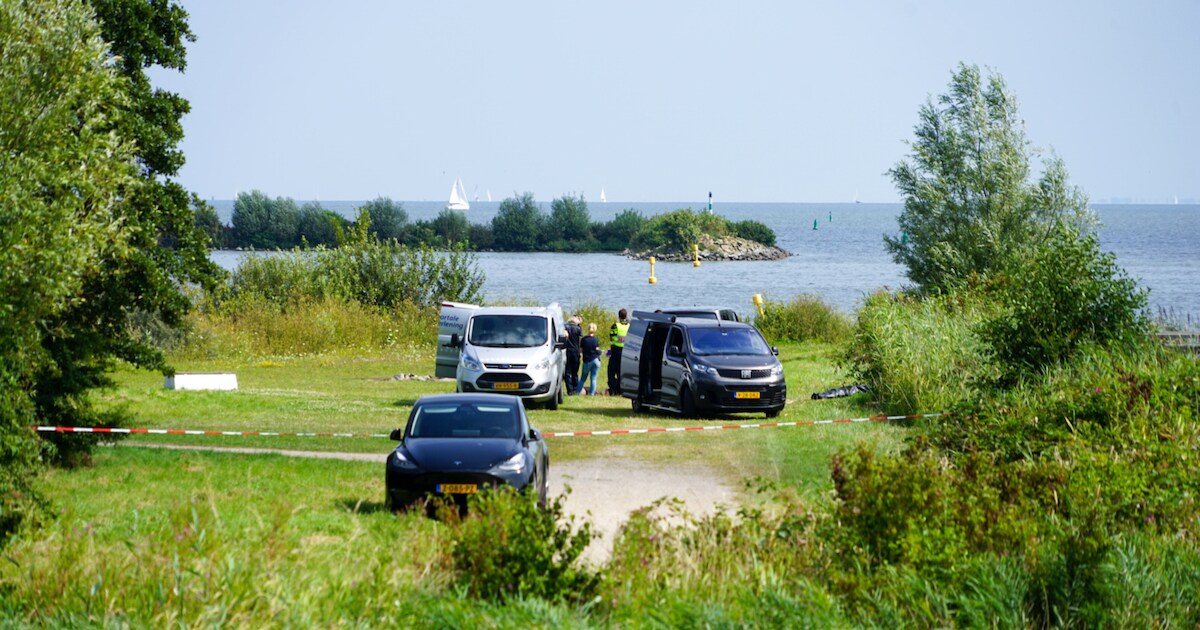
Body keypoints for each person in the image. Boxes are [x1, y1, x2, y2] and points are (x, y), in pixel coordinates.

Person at [607, 308, 629, 395]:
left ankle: (613, 389)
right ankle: (621, 389)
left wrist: (608, 353)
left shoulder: (615, 326)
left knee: (611, 371)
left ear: (619, 316)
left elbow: (611, 338)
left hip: (615, 350)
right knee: (621, 371)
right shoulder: (630, 326)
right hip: (626, 351)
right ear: (626, 316)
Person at [578, 323, 602, 395]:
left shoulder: (584, 339)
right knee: (593, 378)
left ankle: (578, 392)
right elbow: (597, 349)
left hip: (587, 360)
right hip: (596, 360)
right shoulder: (596, 339)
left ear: (587, 329)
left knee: (583, 378)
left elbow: (581, 350)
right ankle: (592, 393)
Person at [564, 315, 582, 394]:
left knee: (567, 371)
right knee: (575, 372)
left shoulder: (565, 327)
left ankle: (569, 390)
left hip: (567, 351)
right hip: (575, 351)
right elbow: (580, 340)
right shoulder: (578, 329)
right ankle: (576, 388)